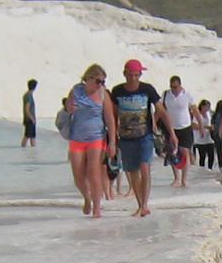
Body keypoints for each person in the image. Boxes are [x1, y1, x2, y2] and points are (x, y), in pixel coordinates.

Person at [111, 59, 172, 217]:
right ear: (124, 74)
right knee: (132, 172)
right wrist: (112, 138)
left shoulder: (147, 89)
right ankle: (140, 205)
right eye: (130, 75)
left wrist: (171, 133)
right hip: (126, 138)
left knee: (145, 167)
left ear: (140, 75)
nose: (133, 78)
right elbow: (113, 116)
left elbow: (161, 111)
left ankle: (144, 204)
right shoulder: (117, 91)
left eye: (136, 75)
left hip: (145, 136)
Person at [64, 64, 115, 218]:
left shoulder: (103, 94)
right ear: (88, 78)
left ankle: (97, 209)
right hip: (77, 137)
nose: (101, 84)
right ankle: (87, 197)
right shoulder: (76, 90)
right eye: (98, 81)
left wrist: (112, 142)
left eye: (103, 81)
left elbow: (110, 119)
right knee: (78, 176)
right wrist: (70, 106)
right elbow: (68, 107)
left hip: (96, 137)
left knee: (94, 174)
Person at [21, 79, 39, 148]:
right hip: (29, 119)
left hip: (30, 119)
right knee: (27, 136)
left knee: (32, 136)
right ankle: (23, 148)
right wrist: (32, 118)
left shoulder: (28, 95)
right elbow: (27, 109)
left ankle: (33, 150)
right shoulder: (28, 96)